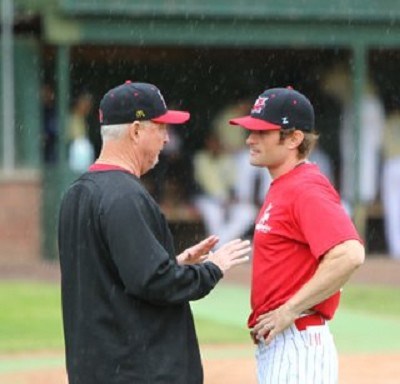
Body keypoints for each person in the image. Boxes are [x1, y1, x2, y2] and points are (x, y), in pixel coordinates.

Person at [58, 81, 251, 384]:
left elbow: (113, 274)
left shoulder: (77, 193)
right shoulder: (125, 196)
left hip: (96, 366)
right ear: (135, 131)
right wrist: (212, 269)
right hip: (137, 370)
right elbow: (155, 283)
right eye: (160, 127)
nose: (166, 138)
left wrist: (174, 263)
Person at [229, 86, 365, 383]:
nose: (250, 139)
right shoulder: (285, 184)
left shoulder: (305, 187)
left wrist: (289, 309)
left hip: (297, 342)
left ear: (294, 138)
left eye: (263, 132)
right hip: (285, 343)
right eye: (252, 130)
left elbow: (350, 253)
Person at [381, 108, 400, 259]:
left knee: (393, 208)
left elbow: (379, 145)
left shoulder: (386, 122)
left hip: (391, 163)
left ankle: (396, 250)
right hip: (393, 162)